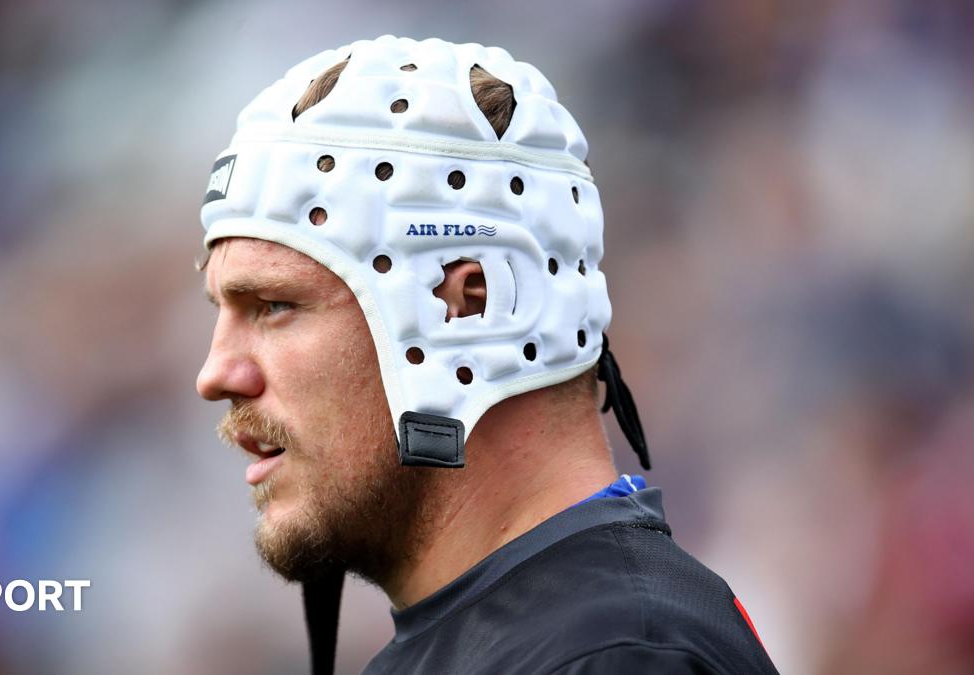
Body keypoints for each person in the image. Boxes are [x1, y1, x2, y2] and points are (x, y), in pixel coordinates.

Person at [196, 36, 778, 674]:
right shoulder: (529, 641)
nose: (217, 374)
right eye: (220, 311)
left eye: (274, 305)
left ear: (474, 304)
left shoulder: (613, 654)